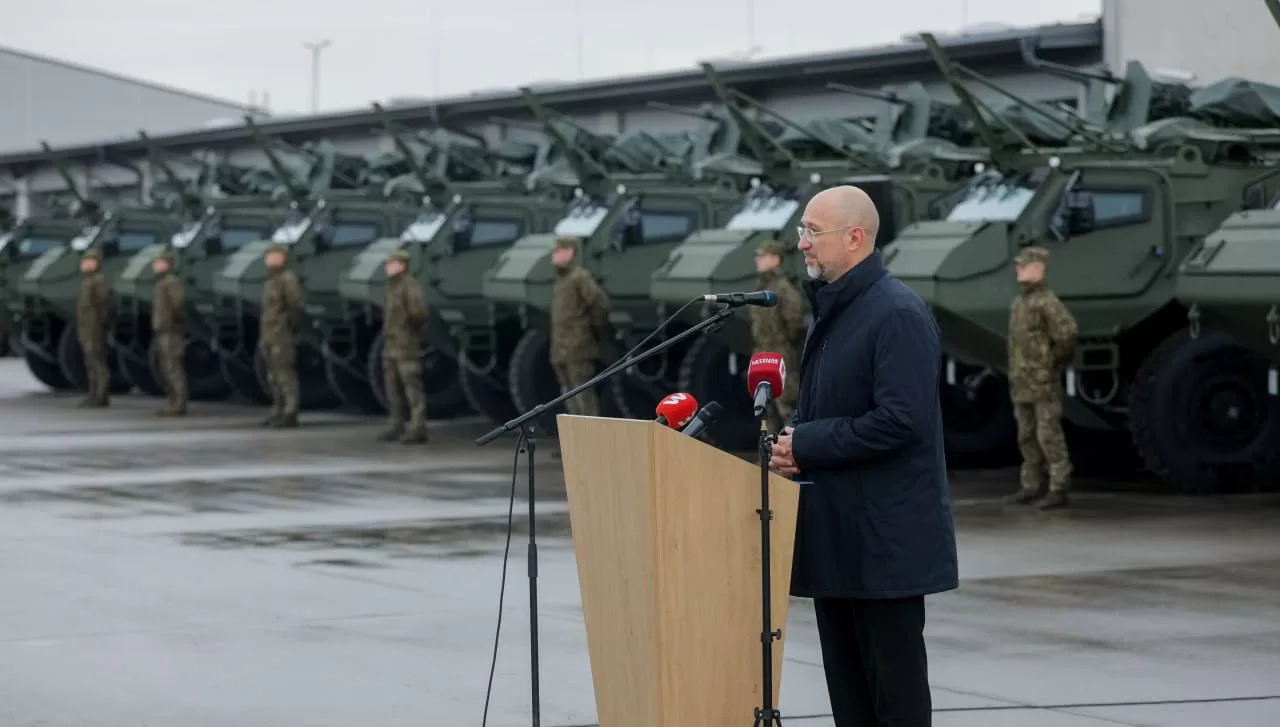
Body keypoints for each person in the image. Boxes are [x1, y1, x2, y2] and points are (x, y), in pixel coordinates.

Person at [768, 185, 958, 727]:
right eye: (802, 230)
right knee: (851, 705)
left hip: (884, 549)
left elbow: (901, 421)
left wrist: (808, 443)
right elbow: (830, 406)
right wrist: (792, 440)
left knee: (894, 703)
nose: (802, 243)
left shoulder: (896, 314)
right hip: (839, 542)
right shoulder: (834, 311)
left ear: (854, 238)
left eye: (812, 231)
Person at [1004, 246, 1077, 510]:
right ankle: (1031, 485)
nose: (1018, 269)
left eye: (1024, 265)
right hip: (1022, 381)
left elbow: (1067, 334)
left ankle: (1059, 487)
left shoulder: (1047, 302)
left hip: (1043, 382)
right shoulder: (1019, 303)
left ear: (1039, 268)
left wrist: (1050, 363)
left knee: (1049, 435)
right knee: (1026, 435)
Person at [750, 239, 808, 432]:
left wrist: (784, 346)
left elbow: (795, 322)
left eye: (762, 256)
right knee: (765, 408)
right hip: (761, 352)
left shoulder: (783, 289)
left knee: (787, 404)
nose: (757, 260)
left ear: (775, 259)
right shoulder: (760, 287)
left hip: (780, 352)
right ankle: (769, 447)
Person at [549, 235, 609, 418]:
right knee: (568, 393)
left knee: (583, 394)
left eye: (560, 251)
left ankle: (591, 434)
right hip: (560, 349)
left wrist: (593, 327)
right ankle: (574, 434)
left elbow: (599, 303)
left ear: (571, 253)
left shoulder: (579, 277)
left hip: (579, 347)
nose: (555, 255)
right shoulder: (561, 280)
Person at [379, 249, 429, 444]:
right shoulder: (391, 288)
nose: (387, 267)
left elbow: (419, 313)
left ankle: (418, 428)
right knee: (393, 389)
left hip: (406, 345)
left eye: (391, 263)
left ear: (401, 265)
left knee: (412, 388)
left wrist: (408, 331)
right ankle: (396, 425)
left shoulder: (409, 286)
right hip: (391, 345)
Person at [259, 243, 304, 428]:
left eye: (273, 255)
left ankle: (290, 412)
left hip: (282, 334)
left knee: (285, 374)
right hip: (269, 334)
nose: (269, 259)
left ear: (283, 258)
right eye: (268, 255)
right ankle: (278, 409)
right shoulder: (271, 281)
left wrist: (287, 325)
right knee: (273, 376)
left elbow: (295, 306)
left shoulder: (287, 279)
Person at [151, 250, 187, 416]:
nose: (156, 266)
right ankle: (173, 401)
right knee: (166, 367)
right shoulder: (161, 283)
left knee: (173, 367)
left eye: (160, 263)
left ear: (168, 265)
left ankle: (179, 403)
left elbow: (178, 304)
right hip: (163, 330)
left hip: (171, 331)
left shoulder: (171, 282)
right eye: (155, 263)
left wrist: (173, 322)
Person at [76, 249, 113, 407]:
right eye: (84, 261)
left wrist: (100, 324)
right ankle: (93, 393)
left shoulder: (98, 281)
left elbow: (103, 305)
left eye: (88, 261)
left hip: (94, 327)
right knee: (90, 361)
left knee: (97, 361)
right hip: (86, 327)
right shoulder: (87, 281)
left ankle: (101, 395)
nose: (84, 264)